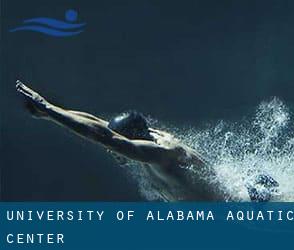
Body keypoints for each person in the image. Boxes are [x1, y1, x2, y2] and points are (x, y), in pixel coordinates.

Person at [15, 80, 277, 201]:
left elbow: (105, 137)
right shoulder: (146, 139)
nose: (111, 151)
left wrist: (48, 109)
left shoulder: (161, 154)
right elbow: (99, 126)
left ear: (132, 140)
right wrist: (51, 113)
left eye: (115, 146)